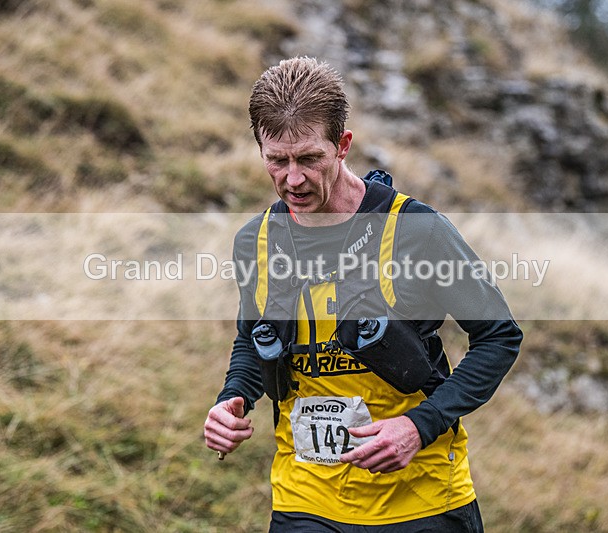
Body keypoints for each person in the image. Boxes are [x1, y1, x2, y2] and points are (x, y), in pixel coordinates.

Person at [203, 56, 522, 532]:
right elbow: (254, 339)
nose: (293, 179)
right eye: (277, 160)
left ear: (343, 145)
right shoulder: (257, 241)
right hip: (305, 499)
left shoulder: (415, 229)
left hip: (421, 500)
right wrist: (232, 399)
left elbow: (499, 337)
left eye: (309, 159)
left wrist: (419, 426)